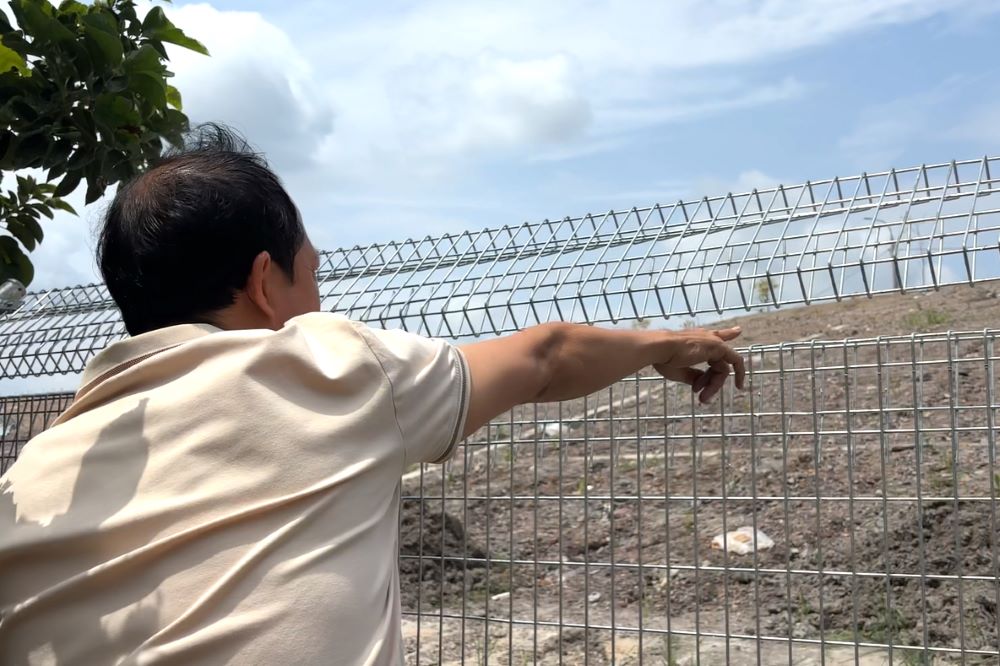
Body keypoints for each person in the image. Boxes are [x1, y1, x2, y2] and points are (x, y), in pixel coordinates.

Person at [0, 125, 745, 665]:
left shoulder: (29, 482)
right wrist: (672, 344)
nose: (317, 297)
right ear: (265, 284)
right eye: (310, 276)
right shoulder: (328, 369)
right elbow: (546, 356)